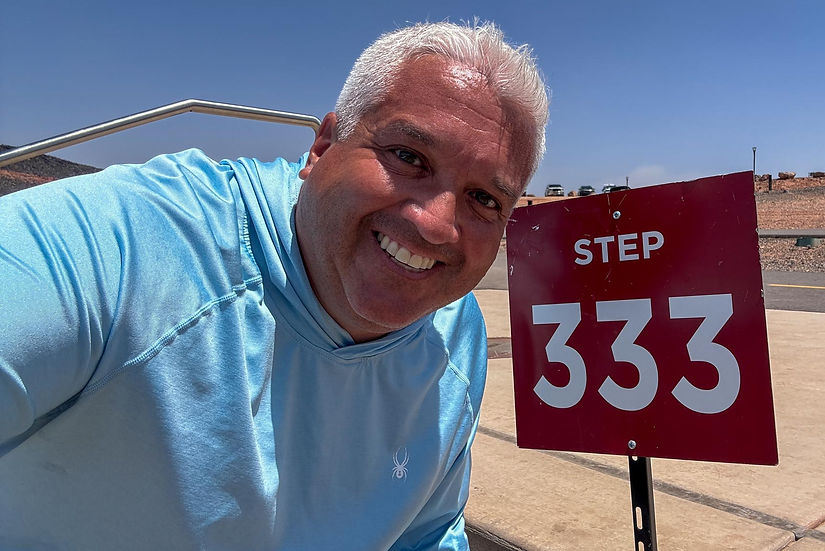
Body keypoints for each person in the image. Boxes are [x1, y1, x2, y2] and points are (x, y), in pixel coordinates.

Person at [0, 21, 548, 550]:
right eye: (409, 157)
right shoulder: (128, 243)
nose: (434, 224)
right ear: (323, 147)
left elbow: (426, 532)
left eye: (484, 199)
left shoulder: (456, 333)